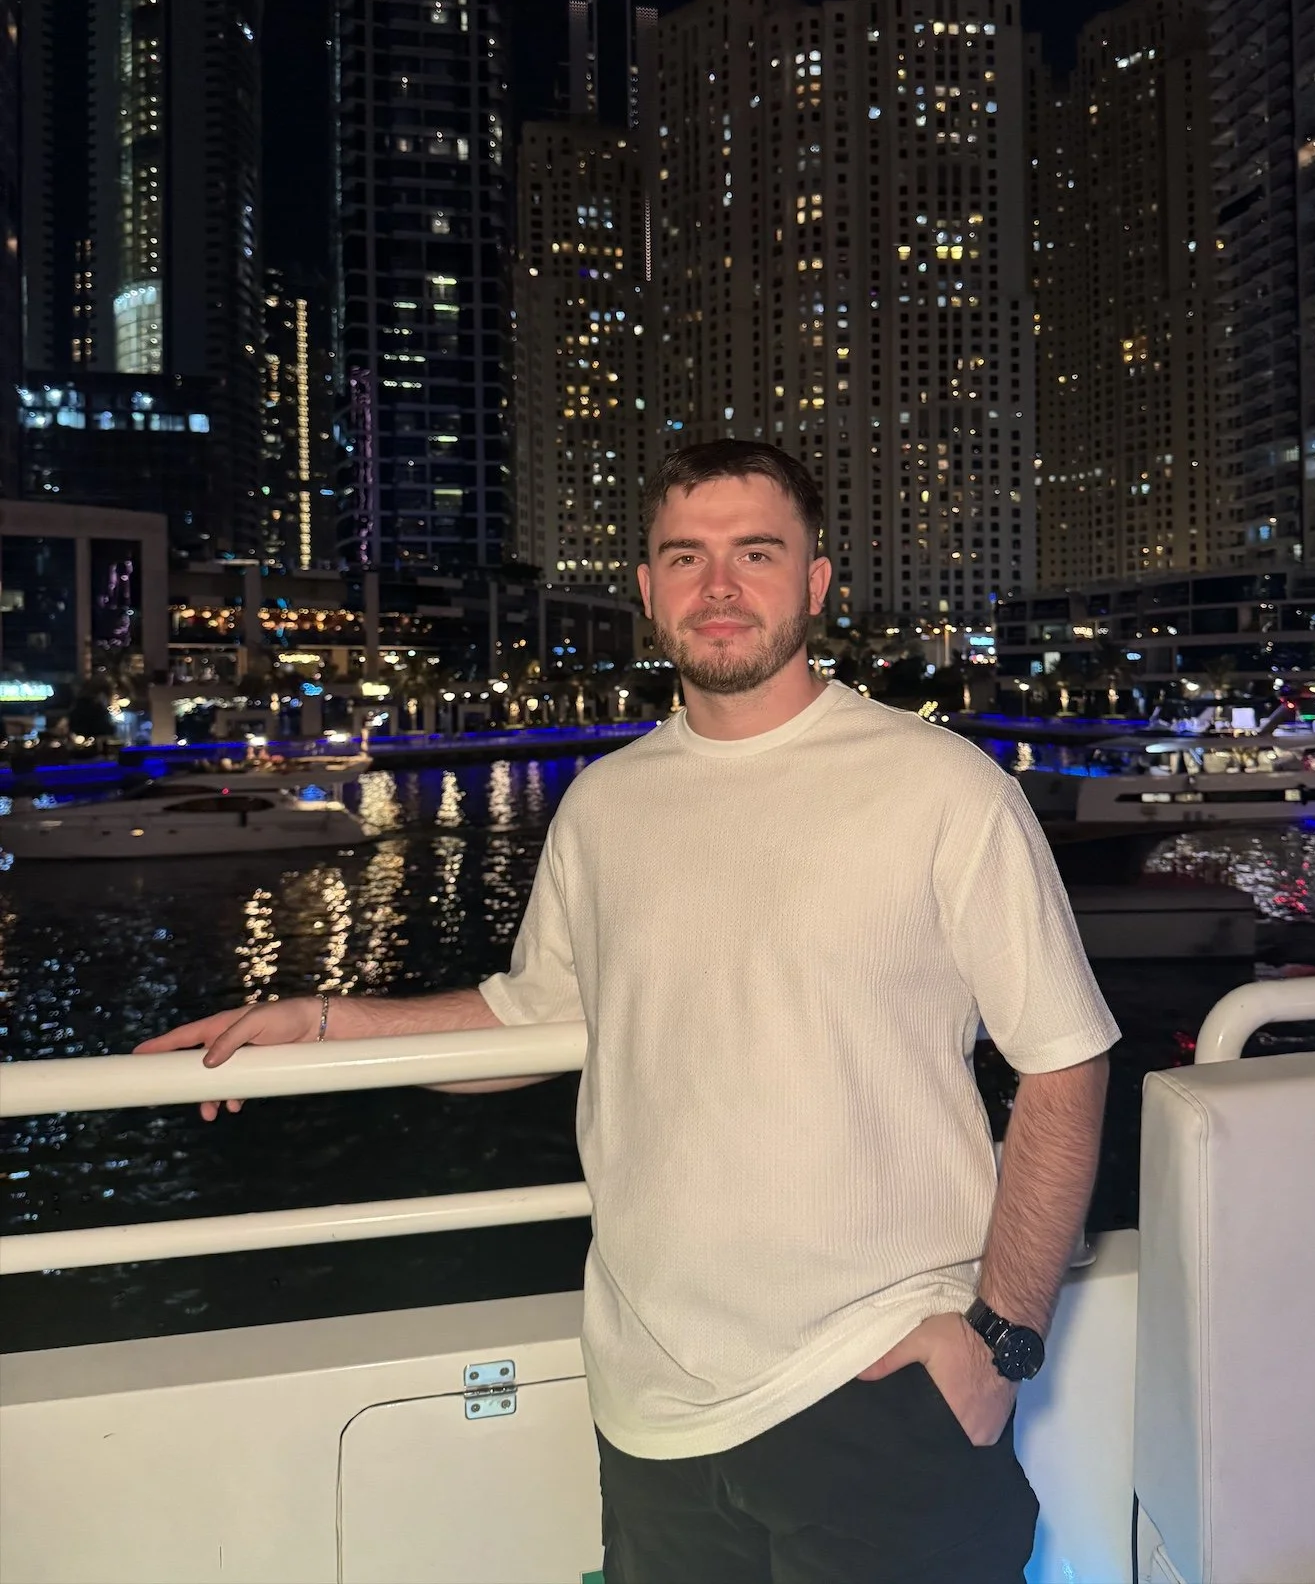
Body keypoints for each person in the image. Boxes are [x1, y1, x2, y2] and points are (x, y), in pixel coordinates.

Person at [138, 440, 1119, 1584]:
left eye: (755, 553)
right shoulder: (605, 807)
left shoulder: (940, 788)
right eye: (684, 557)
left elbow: (1063, 1063)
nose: (718, 586)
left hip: (878, 1381)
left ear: (812, 583)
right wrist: (319, 1024)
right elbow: (531, 1020)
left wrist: (998, 1341)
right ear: (646, 589)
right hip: (649, 1405)